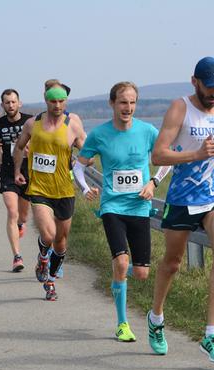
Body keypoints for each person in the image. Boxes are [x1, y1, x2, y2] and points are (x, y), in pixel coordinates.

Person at [148, 56, 214, 363]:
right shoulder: (181, 108)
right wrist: (196, 154)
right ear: (195, 82)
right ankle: (156, 318)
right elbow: (159, 155)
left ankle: (211, 334)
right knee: (173, 263)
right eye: (208, 86)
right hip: (183, 198)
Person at [74, 81, 171, 342]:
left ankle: (119, 276)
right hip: (112, 207)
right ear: (112, 104)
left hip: (140, 207)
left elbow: (167, 159)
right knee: (121, 261)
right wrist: (84, 189)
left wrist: (154, 183)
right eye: (122, 103)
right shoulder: (99, 134)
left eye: (132, 103)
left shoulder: (148, 131)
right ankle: (122, 323)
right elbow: (78, 166)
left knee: (141, 273)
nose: (127, 108)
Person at [13, 80, 86, 301]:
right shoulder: (32, 124)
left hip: (64, 189)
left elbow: (87, 149)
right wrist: (17, 170)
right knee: (48, 235)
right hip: (39, 188)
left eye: (61, 101)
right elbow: (18, 146)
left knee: (62, 242)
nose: (57, 105)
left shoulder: (72, 123)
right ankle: (43, 256)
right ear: (46, 100)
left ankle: (51, 278)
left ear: (66, 101)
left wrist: (86, 160)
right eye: (53, 101)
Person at [0, 89, 33, 272]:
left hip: (28, 170)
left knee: (22, 215)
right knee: (12, 212)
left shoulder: (30, 121)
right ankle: (17, 256)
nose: (11, 105)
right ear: (2, 105)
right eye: (7, 102)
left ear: (19, 103)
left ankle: (21, 224)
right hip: (8, 172)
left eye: (13, 102)